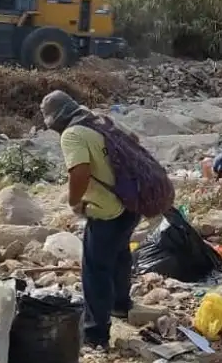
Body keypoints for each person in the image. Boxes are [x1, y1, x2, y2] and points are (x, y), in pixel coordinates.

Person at [41, 90, 139, 351]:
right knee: (119, 253)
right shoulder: (102, 120)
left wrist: (74, 201)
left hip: (106, 209)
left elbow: (80, 172)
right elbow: (135, 140)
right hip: (132, 201)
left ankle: (96, 334)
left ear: (56, 121)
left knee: (95, 270)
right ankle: (120, 304)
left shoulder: (73, 134)